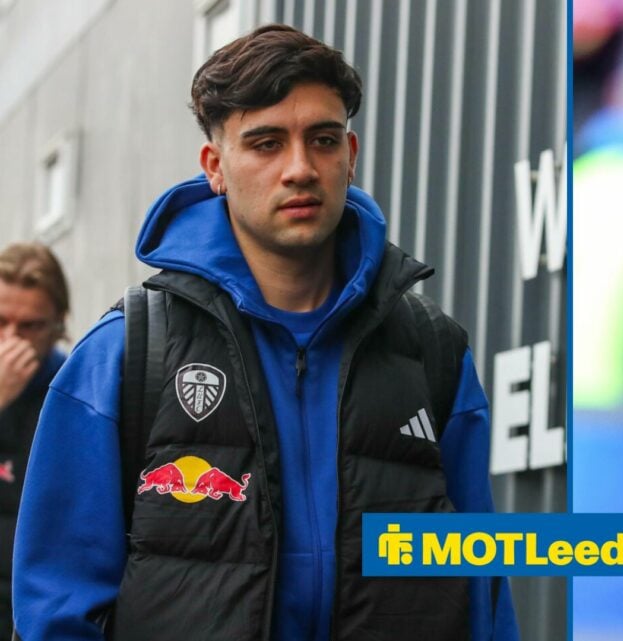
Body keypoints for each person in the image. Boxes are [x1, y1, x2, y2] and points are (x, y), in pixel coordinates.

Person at [12, 24, 517, 641]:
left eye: (322, 141)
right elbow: (58, 607)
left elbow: (482, 592)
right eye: (266, 143)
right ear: (216, 167)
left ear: (350, 156)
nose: (299, 169)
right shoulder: (125, 354)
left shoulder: (433, 353)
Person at [0, 243, 68, 639]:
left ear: (58, 324)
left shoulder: (72, 389)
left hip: (32, 613)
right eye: (0, 321)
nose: (11, 338)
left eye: (30, 326)